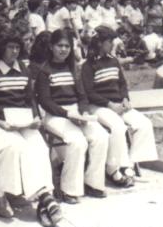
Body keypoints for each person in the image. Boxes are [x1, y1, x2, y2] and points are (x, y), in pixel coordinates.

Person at [0, 28, 61, 227]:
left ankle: (44, 197)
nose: (14, 51)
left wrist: (35, 116)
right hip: (1, 124)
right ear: (2, 49)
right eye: (10, 47)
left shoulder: (24, 69)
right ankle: (41, 197)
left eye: (17, 47)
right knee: (19, 149)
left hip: (24, 120)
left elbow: (29, 98)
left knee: (40, 148)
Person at [35, 30, 110, 201]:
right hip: (56, 115)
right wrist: (68, 114)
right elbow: (45, 101)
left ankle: (93, 183)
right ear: (51, 47)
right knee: (77, 141)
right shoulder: (44, 71)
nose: (63, 49)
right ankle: (69, 189)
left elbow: (82, 95)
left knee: (101, 137)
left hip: (77, 112)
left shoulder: (73, 69)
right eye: (59, 46)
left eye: (67, 46)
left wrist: (83, 112)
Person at [81, 26, 158, 188]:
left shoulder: (113, 61)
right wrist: (110, 104)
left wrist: (125, 99)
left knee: (143, 124)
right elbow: (89, 92)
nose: (112, 45)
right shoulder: (88, 66)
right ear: (100, 43)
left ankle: (130, 164)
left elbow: (122, 84)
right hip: (99, 106)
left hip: (119, 104)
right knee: (118, 127)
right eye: (109, 42)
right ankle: (113, 169)